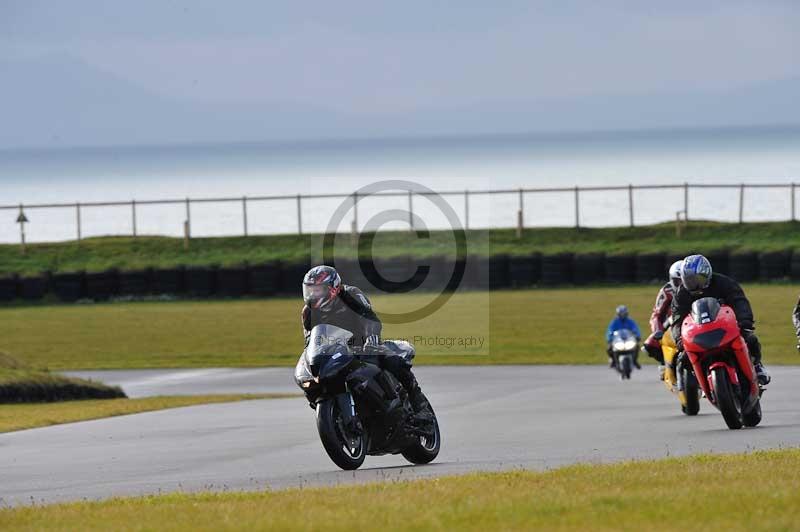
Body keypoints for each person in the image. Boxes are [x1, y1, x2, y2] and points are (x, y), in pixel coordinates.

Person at [300, 265, 430, 415]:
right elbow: (310, 340)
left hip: (363, 343)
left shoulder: (351, 294)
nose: (313, 295)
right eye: (310, 290)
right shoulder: (308, 312)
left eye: (318, 290)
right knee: (315, 380)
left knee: (392, 360)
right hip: (336, 351)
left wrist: (371, 339)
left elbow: (370, 319)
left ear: (333, 288)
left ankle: (417, 399)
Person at [670, 254, 770, 385]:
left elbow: (739, 301)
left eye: (696, 279)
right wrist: (679, 339)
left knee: (750, 338)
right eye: (689, 281)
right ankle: (698, 381)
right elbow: (677, 318)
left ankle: (757, 366)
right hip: (698, 330)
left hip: (725, 325)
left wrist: (745, 322)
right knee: (683, 357)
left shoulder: (724, 283)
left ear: (706, 274)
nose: (693, 284)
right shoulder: (681, 293)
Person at [642, 260, 683, 379]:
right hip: (671, 323)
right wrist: (658, 331)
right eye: (677, 281)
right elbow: (656, 315)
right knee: (649, 345)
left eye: (684, 280)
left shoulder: (697, 288)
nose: (681, 284)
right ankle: (664, 362)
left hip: (692, 322)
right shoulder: (666, 291)